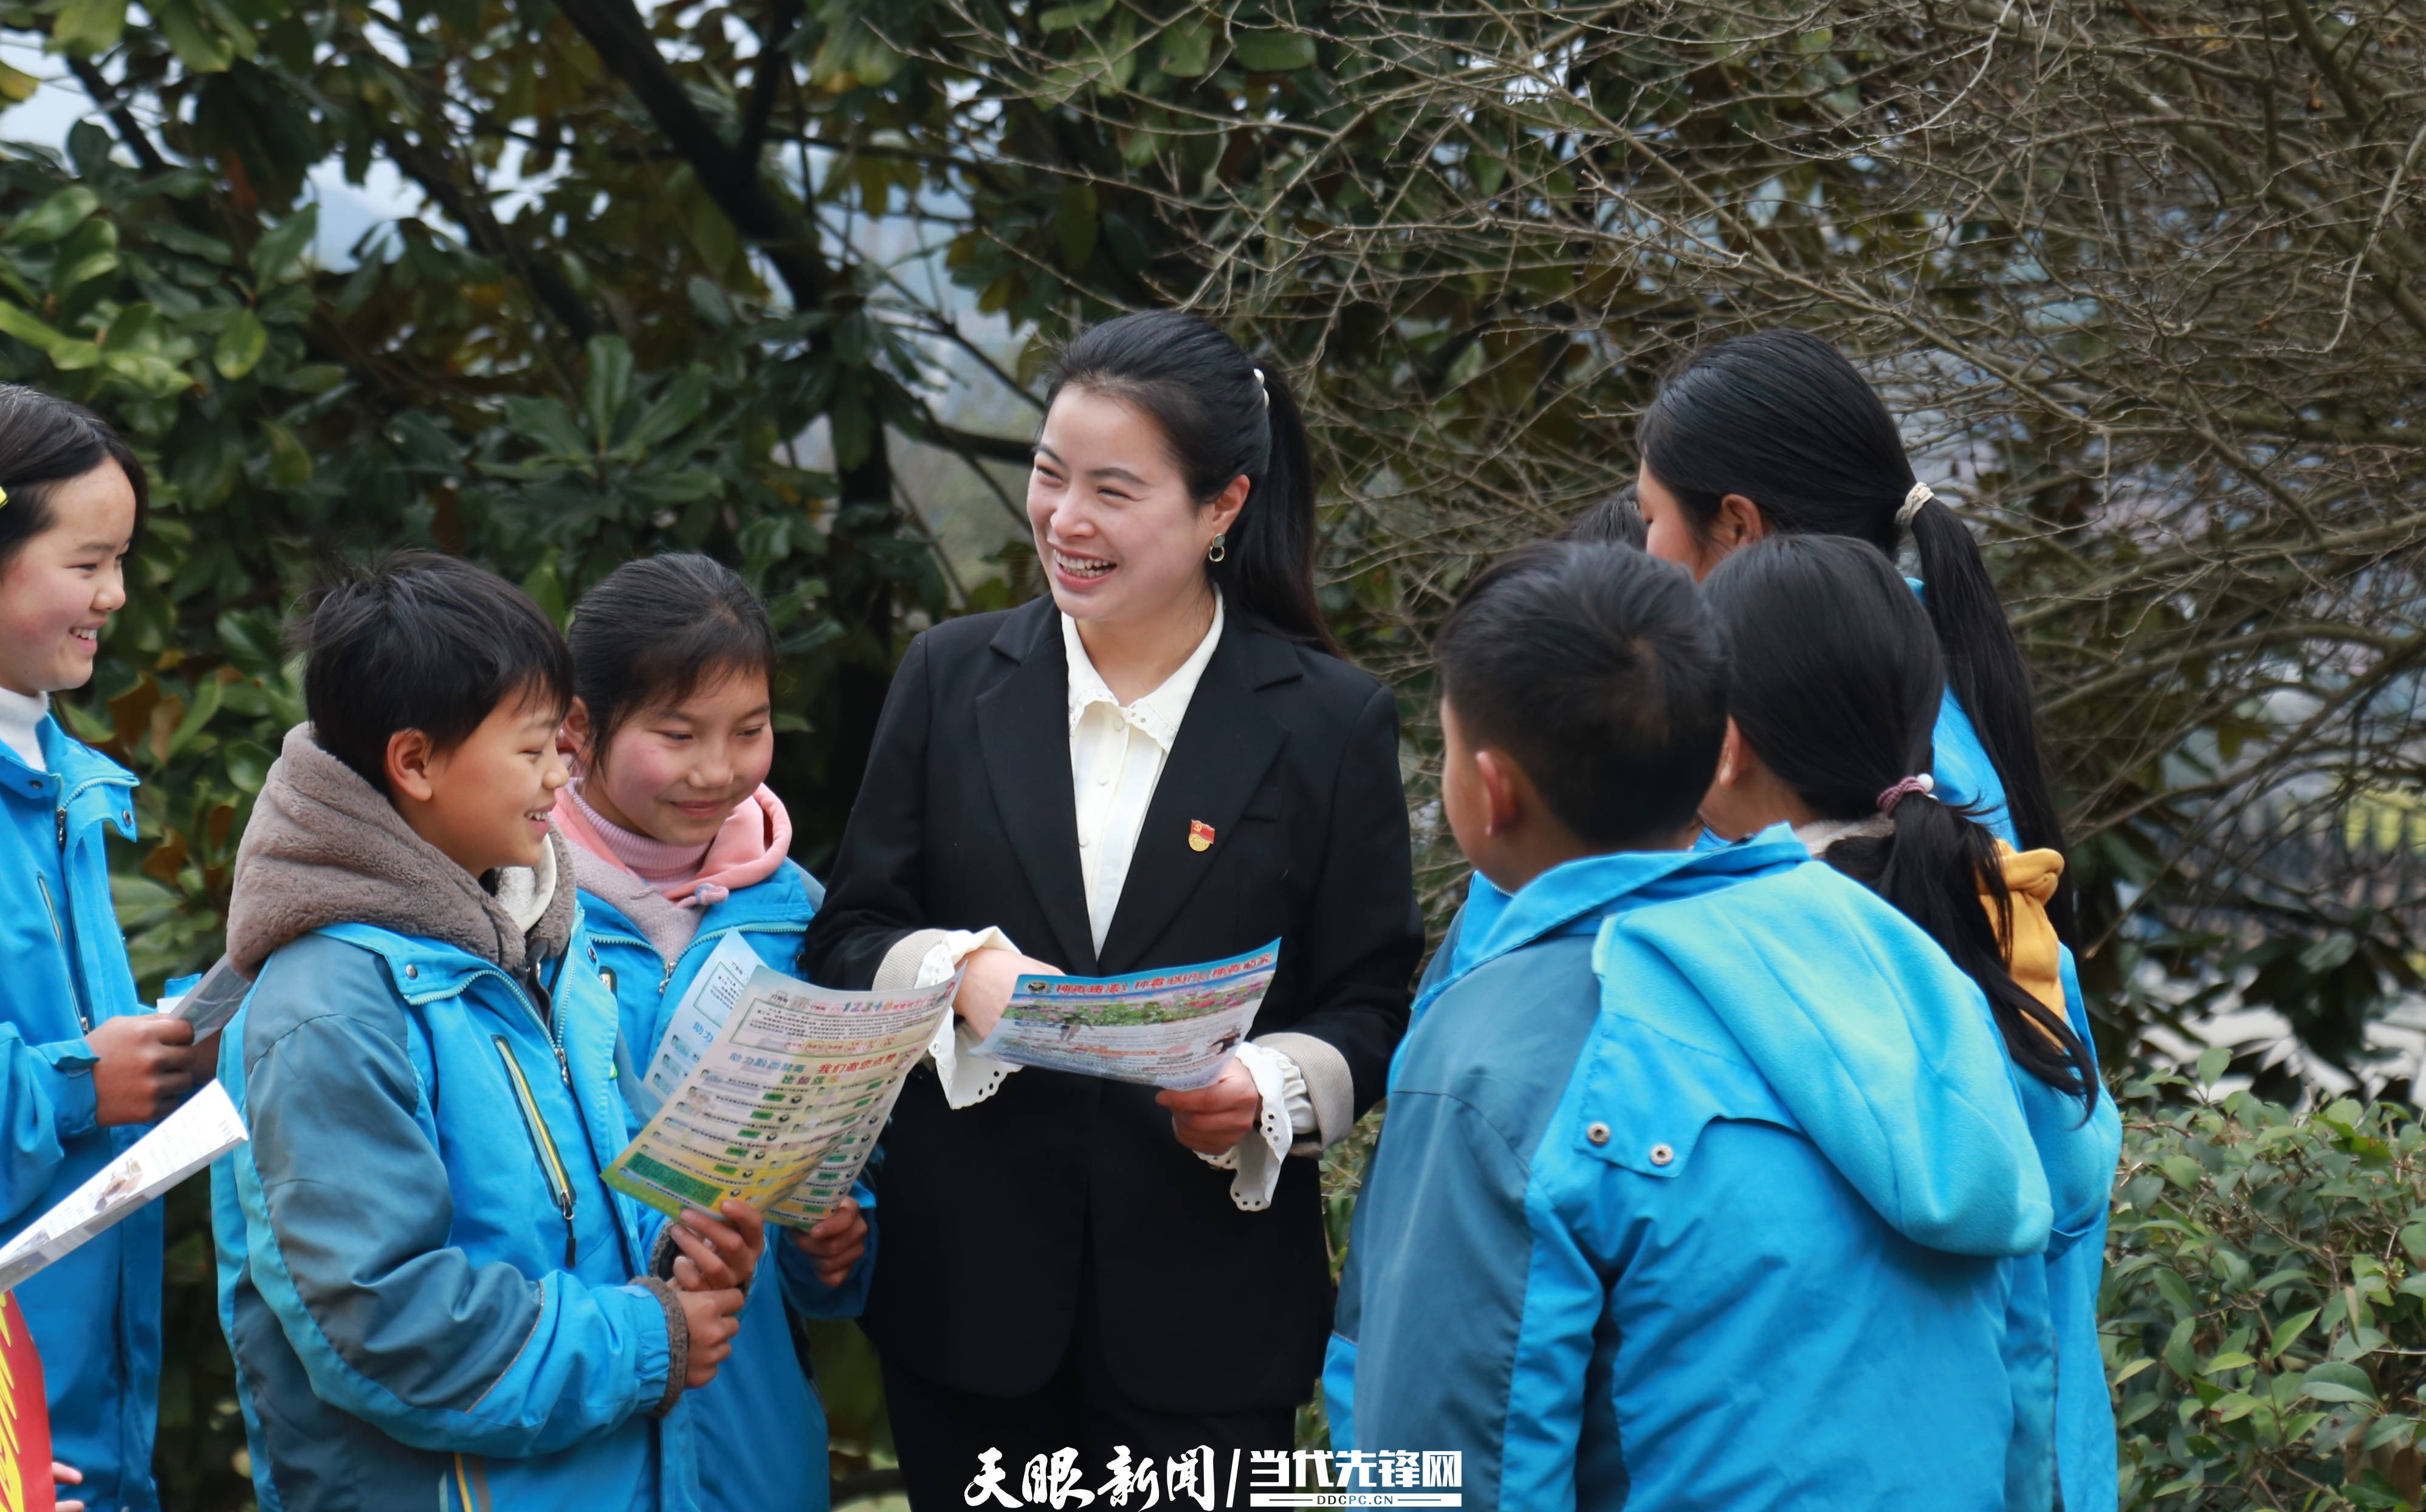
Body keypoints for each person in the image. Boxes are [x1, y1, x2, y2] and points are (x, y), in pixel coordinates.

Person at [800, 309, 1423, 1505]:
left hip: (1209, 1321)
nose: (1063, 519)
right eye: (1047, 473)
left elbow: (1369, 996)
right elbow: (848, 934)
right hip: (967, 1310)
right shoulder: (949, 678)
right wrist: (960, 971)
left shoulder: (1328, 721)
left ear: (1222, 506)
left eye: (1113, 490)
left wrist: (1270, 1090)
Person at [1327, 540, 2070, 1510]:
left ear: (1491, 788)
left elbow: (1446, 1454)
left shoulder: (1493, 1049)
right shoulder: (1894, 959)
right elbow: (2018, 1359)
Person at [212, 552, 761, 1512]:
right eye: (534, 749)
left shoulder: (540, 936)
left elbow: (588, 1195)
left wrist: (679, 1252)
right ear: (415, 762)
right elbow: (385, 1330)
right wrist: (645, 1338)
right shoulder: (331, 1008)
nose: (563, 776)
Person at [1698, 535, 2122, 1511]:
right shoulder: (1998, 906)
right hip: (2002, 1458)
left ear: (1725, 741)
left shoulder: (1719, 956)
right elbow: (2071, 1178)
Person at [554, 553, 875, 1512]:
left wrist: (844, 1236)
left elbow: (843, 1153)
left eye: (750, 730)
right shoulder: (518, 914)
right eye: (678, 733)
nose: (717, 771)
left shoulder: (800, 919)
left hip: (753, 1423)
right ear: (576, 729)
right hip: (579, 1418)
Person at [1632, 327, 2059, 876]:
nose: (1642, 557)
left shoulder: (1797, 742)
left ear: (1739, 525)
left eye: (1650, 520)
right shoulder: (1913, 661)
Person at [0, 387, 196, 1512]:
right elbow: (68, 1068)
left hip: (82, 1432)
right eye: (87, 562)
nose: (113, 596)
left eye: (121, 560)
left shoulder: (63, 778)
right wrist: (81, 1085)